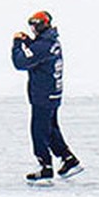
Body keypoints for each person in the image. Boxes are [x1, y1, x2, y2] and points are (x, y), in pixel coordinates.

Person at [11, 10, 81, 184]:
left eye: (34, 26)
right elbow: (37, 51)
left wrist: (17, 44)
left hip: (43, 94)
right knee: (49, 128)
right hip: (52, 93)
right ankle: (68, 158)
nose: (32, 30)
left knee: (39, 130)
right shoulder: (50, 41)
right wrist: (28, 41)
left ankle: (45, 167)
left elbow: (21, 62)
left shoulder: (43, 46)